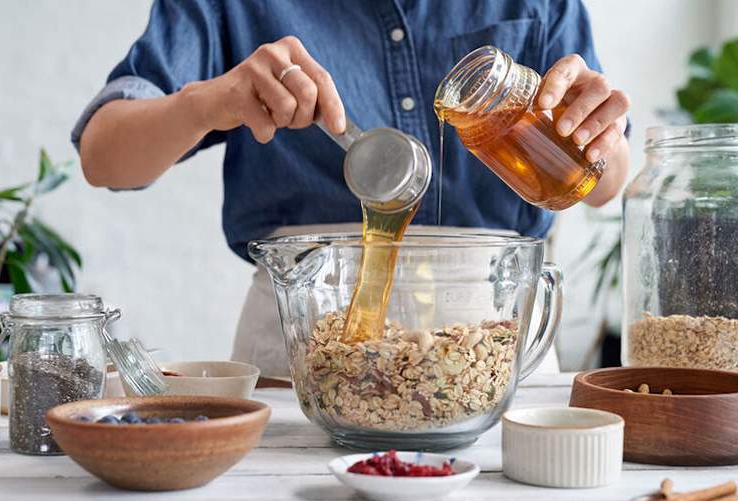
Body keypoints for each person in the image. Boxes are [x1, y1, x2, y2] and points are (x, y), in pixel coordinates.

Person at [73, 0, 630, 377]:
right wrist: (208, 101)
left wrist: (596, 133)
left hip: (497, 345)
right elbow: (104, 158)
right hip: (305, 345)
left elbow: (607, 186)